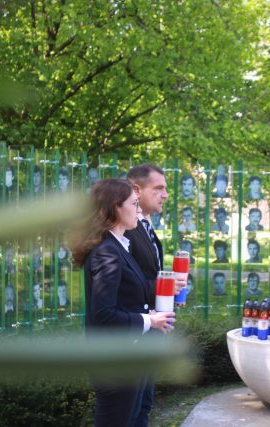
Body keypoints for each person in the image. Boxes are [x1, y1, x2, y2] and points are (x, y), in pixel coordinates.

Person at [72, 178, 175, 427]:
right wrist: (149, 320)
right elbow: (104, 315)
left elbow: (124, 299)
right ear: (116, 208)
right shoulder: (107, 252)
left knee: (134, 417)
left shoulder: (119, 246)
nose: (139, 211)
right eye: (134, 204)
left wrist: (152, 313)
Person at [123, 165, 183, 427]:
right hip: (133, 333)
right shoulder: (125, 229)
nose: (165, 195)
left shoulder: (145, 225)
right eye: (158, 188)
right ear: (137, 190)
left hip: (151, 327)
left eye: (166, 189)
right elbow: (125, 283)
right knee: (131, 411)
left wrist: (169, 288)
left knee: (144, 405)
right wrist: (161, 286)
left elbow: (145, 273)